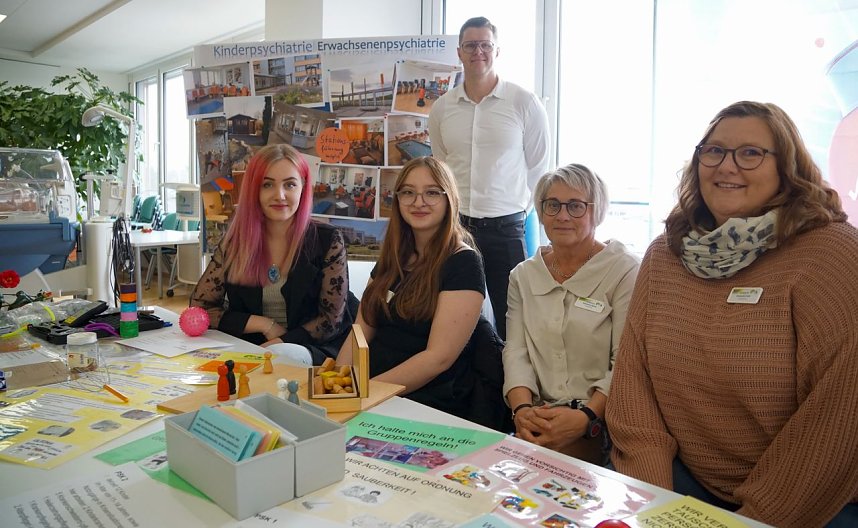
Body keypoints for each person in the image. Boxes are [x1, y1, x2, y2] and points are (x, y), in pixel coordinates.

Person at [606, 101, 858, 527]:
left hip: (813, 503)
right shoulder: (666, 254)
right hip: (682, 484)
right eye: (714, 151)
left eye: (750, 153)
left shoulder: (832, 254)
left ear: (787, 167)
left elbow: (839, 419)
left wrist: (753, 519)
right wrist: (652, 502)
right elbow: (634, 383)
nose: (727, 166)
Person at [503, 164, 639, 465]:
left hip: (603, 418)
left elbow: (626, 361)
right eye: (553, 205)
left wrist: (586, 416)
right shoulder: (523, 276)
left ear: (596, 211)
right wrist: (522, 411)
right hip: (538, 416)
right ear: (541, 212)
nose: (562, 216)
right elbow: (516, 352)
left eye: (576, 206)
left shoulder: (623, 270)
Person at [428, 16, 550, 339]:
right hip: (456, 230)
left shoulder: (524, 103)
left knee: (514, 324)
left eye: (485, 45)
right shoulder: (442, 108)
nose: (478, 51)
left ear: (497, 50)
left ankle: (512, 375)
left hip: (506, 230)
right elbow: (441, 171)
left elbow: (539, 171)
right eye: (470, 45)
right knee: (452, 321)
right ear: (459, 52)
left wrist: (522, 215)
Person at [338, 157, 486, 418]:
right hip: (370, 392)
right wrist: (335, 382)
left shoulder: (464, 263)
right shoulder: (394, 256)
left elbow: (437, 359)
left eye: (432, 192)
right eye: (408, 192)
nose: (418, 202)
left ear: (449, 199)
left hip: (426, 400)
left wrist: (365, 393)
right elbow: (360, 331)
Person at [191, 144, 355, 366]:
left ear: (303, 188)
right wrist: (263, 324)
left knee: (282, 356)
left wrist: (280, 342)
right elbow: (200, 308)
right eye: (267, 184)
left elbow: (330, 321)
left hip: (313, 347)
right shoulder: (235, 242)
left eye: (290, 184)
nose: (279, 195)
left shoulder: (328, 240)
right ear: (254, 190)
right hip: (253, 347)